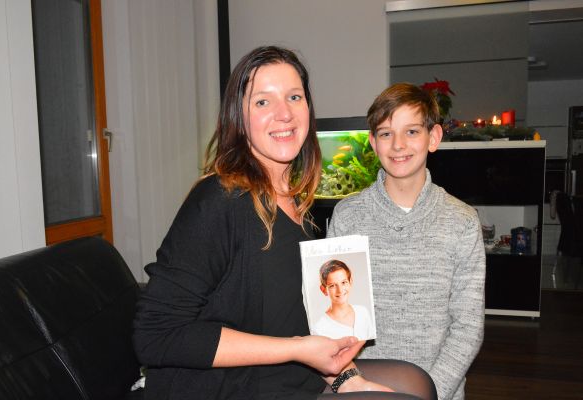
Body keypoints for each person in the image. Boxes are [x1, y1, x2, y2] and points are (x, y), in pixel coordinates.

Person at [133, 47, 437, 400]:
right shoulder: (219, 200)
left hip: (293, 377)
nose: (284, 114)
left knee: (417, 382)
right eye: (263, 102)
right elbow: (154, 335)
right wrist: (296, 349)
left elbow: (298, 317)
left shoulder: (297, 204)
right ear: (238, 117)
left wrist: (347, 378)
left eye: (294, 97)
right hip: (232, 389)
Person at [326, 82, 486, 400]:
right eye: (386, 133)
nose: (398, 145)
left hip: (437, 392)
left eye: (411, 131)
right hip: (362, 389)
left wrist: (429, 393)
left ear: (434, 137)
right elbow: (333, 319)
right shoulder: (347, 216)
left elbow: (468, 326)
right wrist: (352, 384)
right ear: (373, 143)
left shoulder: (463, 221)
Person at [313, 259, 375, 340]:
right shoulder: (319, 330)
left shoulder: (363, 312)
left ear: (350, 282)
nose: (340, 290)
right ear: (324, 290)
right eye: (332, 286)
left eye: (343, 282)